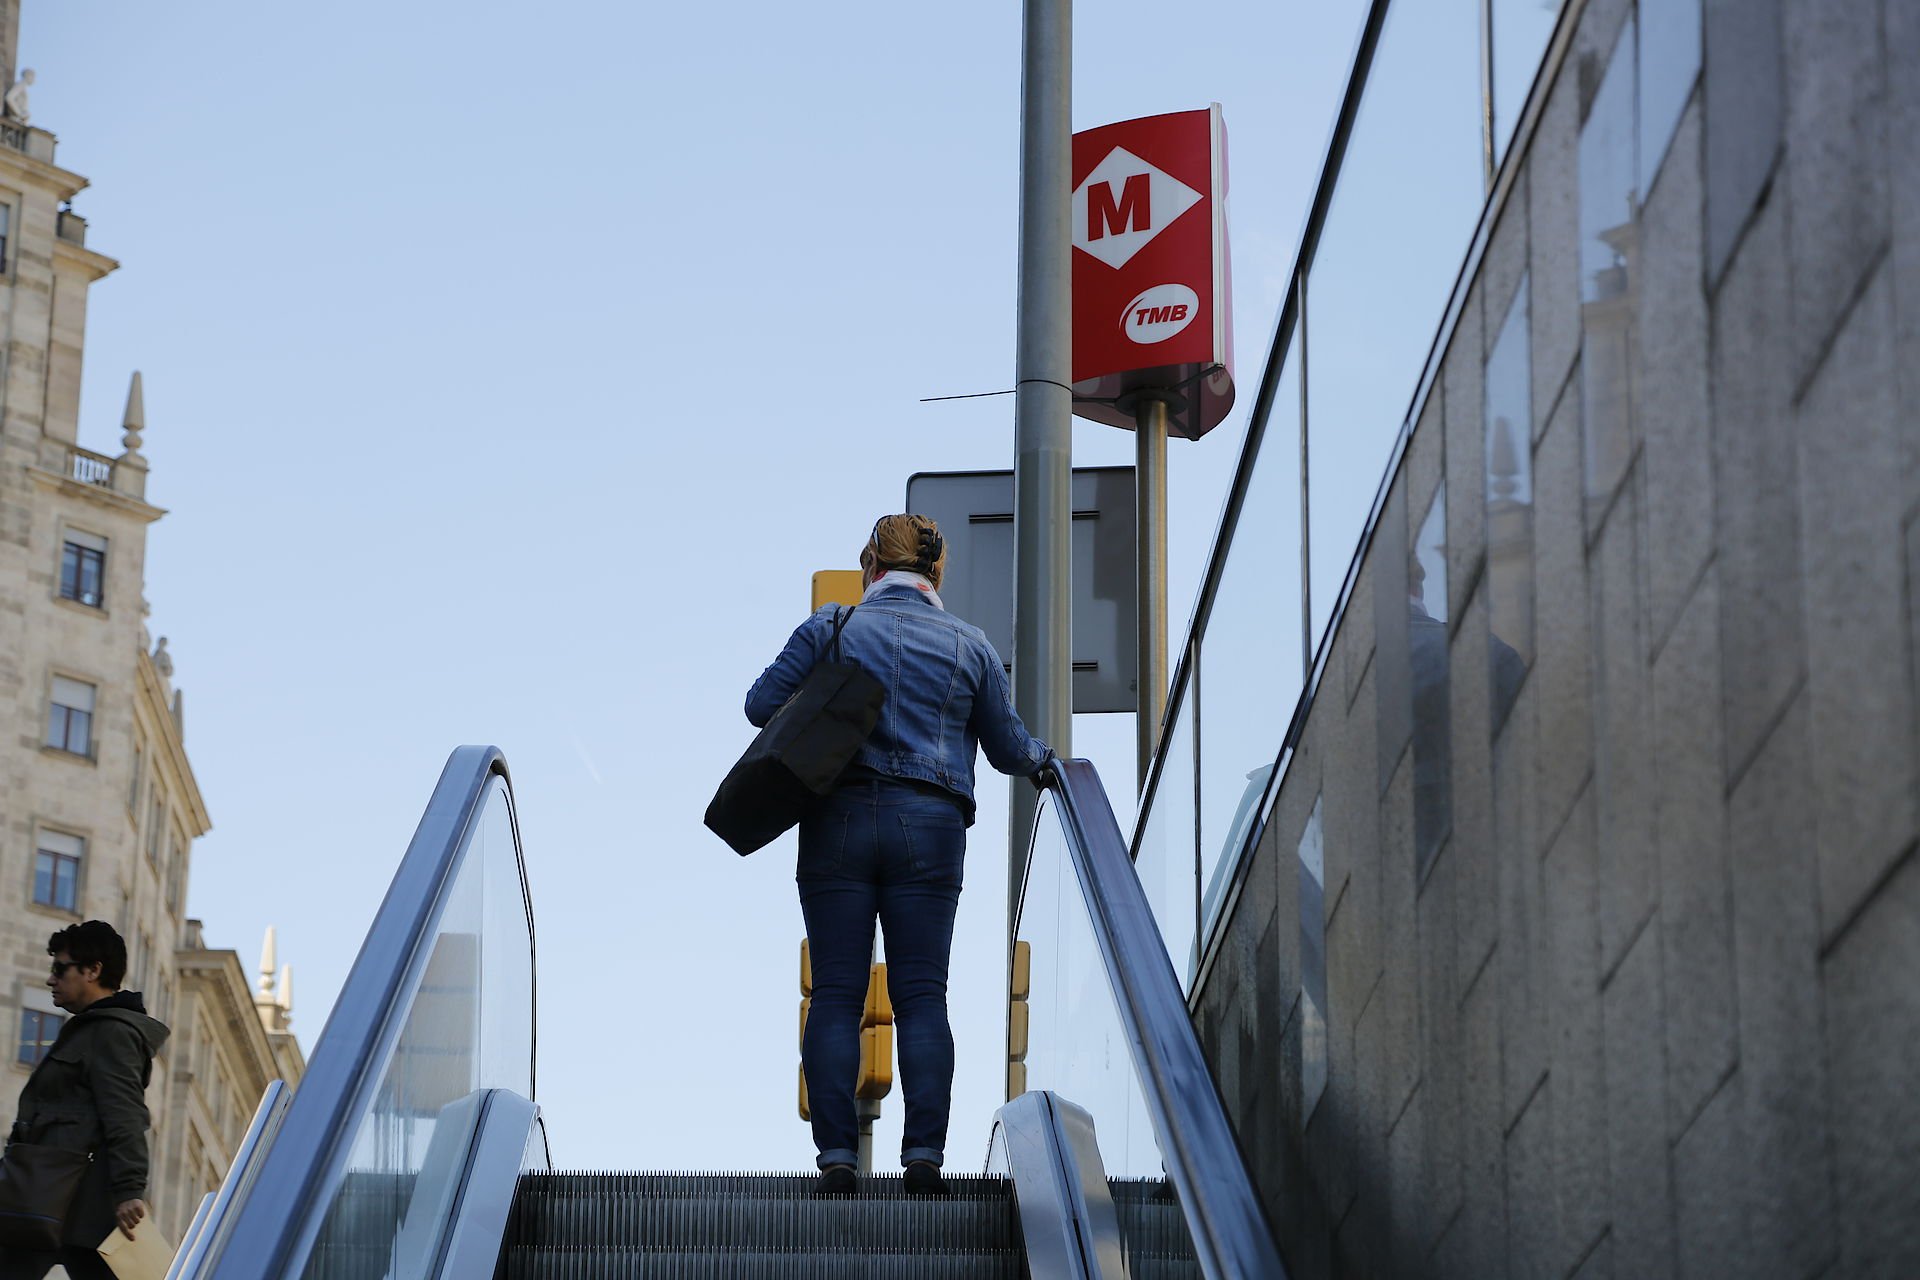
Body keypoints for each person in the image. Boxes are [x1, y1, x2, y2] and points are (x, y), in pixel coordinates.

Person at [745, 514, 1050, 1196]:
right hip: (931, 825)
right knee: (921, 996)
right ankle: (923, 1158)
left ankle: (836, 1158)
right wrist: (1048, 761)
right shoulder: (970, 646)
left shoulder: (832, 626)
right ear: (937, 572)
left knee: (836, 995)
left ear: (871, 566)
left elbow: (759, 704)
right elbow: (1008, 749)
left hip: (838, 819)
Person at [1, 922, 169, 1280]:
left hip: (68, 1203)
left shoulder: (111, 1033)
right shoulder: (90, 1029)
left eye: (61, 969)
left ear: (93, 971)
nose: (51, 979)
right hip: (43, 1195)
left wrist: (129, 1190)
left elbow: (124, 1112)